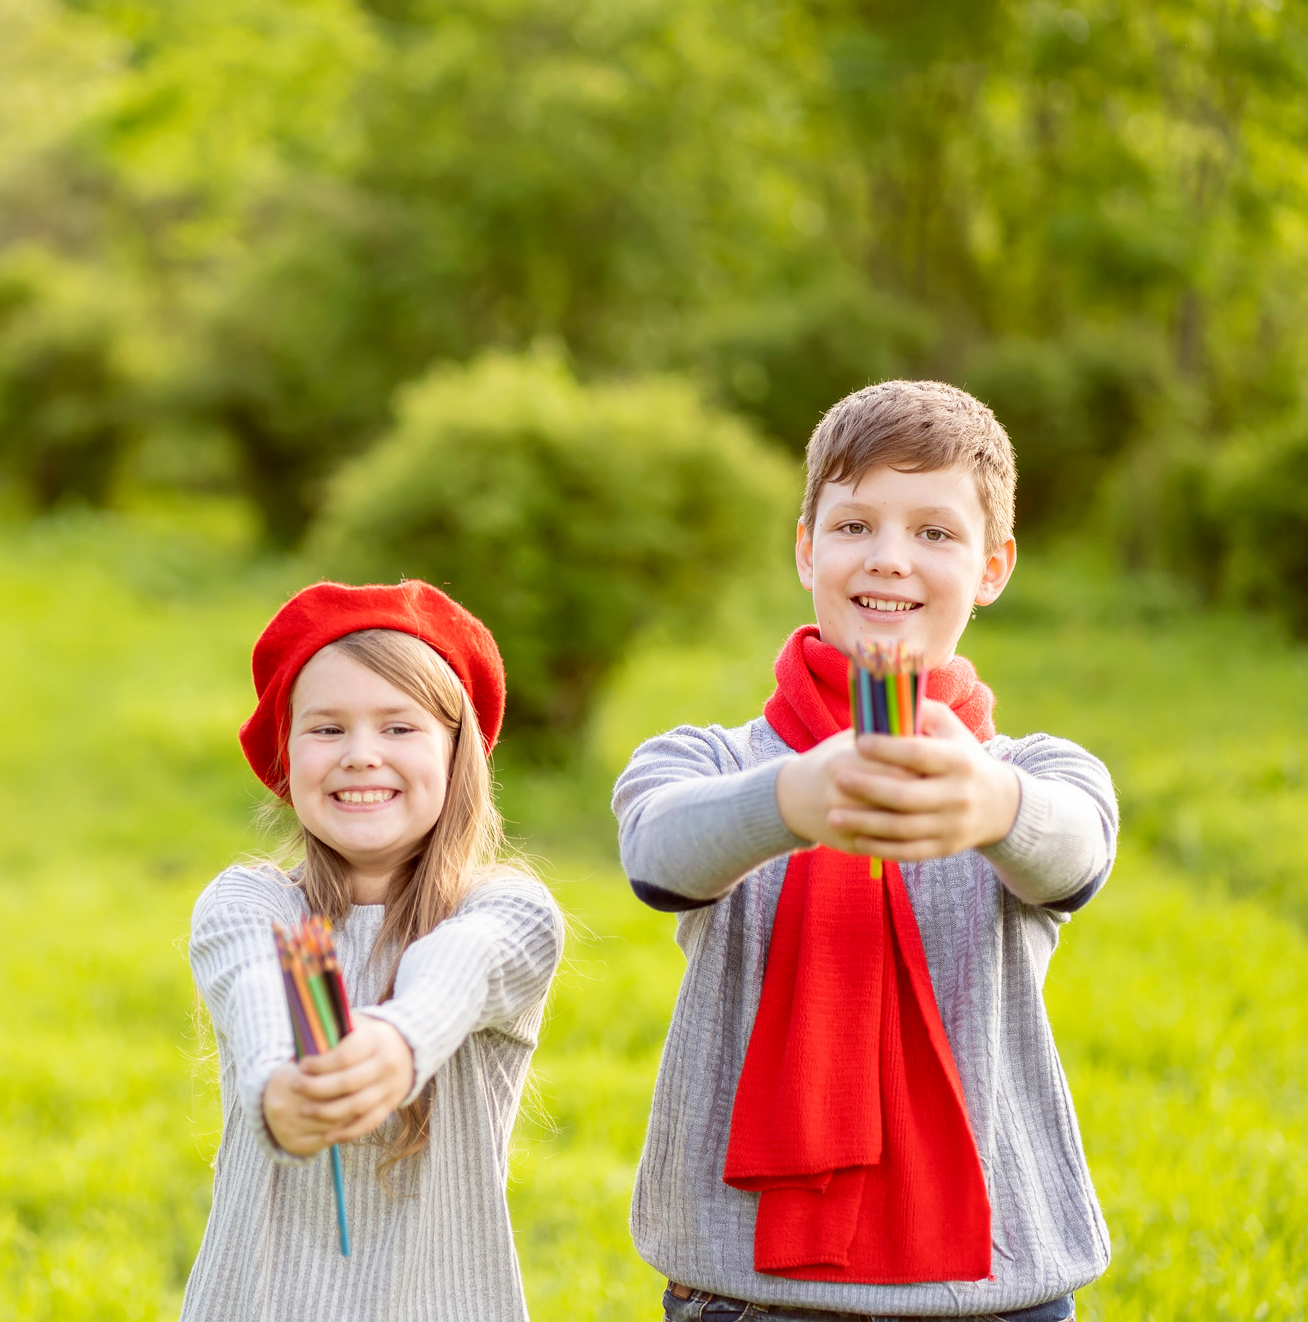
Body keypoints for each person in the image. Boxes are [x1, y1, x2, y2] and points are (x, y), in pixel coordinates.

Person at [614, 381, 1117, 1320]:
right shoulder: (711, 759)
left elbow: (1076, 852)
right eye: (854, 525)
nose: (890, 559)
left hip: (996, 1285)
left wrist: (991, 800)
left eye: (935, 532)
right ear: (806, 545)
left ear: (995, 565)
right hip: (745, 1290)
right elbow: (659, 852)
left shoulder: (1034, 771)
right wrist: (790, 799)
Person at [181, 580, 564, 1322]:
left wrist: (397, 1040)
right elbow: (260, 987)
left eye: (399, 728)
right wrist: (280, 1091)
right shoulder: (252, 904)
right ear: (286, 756)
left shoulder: (510, 910)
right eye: (327, 728)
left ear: (459, 756)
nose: (361, 755)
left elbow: (459, 965)